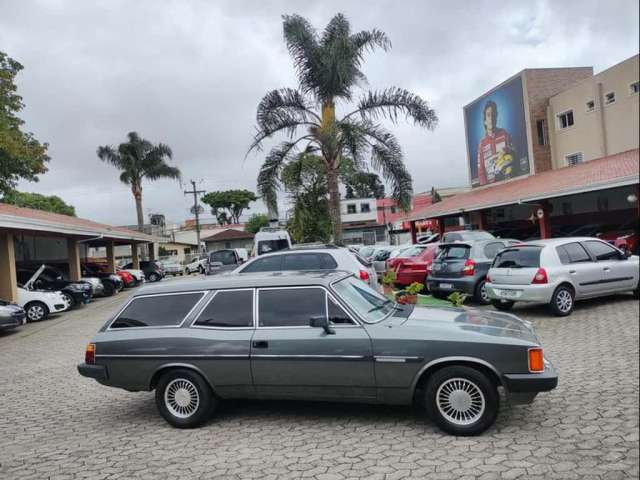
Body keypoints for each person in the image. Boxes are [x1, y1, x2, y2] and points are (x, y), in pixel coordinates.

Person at [476, 100, 514, 185]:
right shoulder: (482, 144)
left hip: (507, 182)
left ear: (496, 116)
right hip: (491, 187)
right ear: (484, 121)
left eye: (493, 114)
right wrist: (485, 188)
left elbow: (514, 154)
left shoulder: (504, 134)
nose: (491, 118)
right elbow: (481, 171)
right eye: (488, 115)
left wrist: (509, 151)